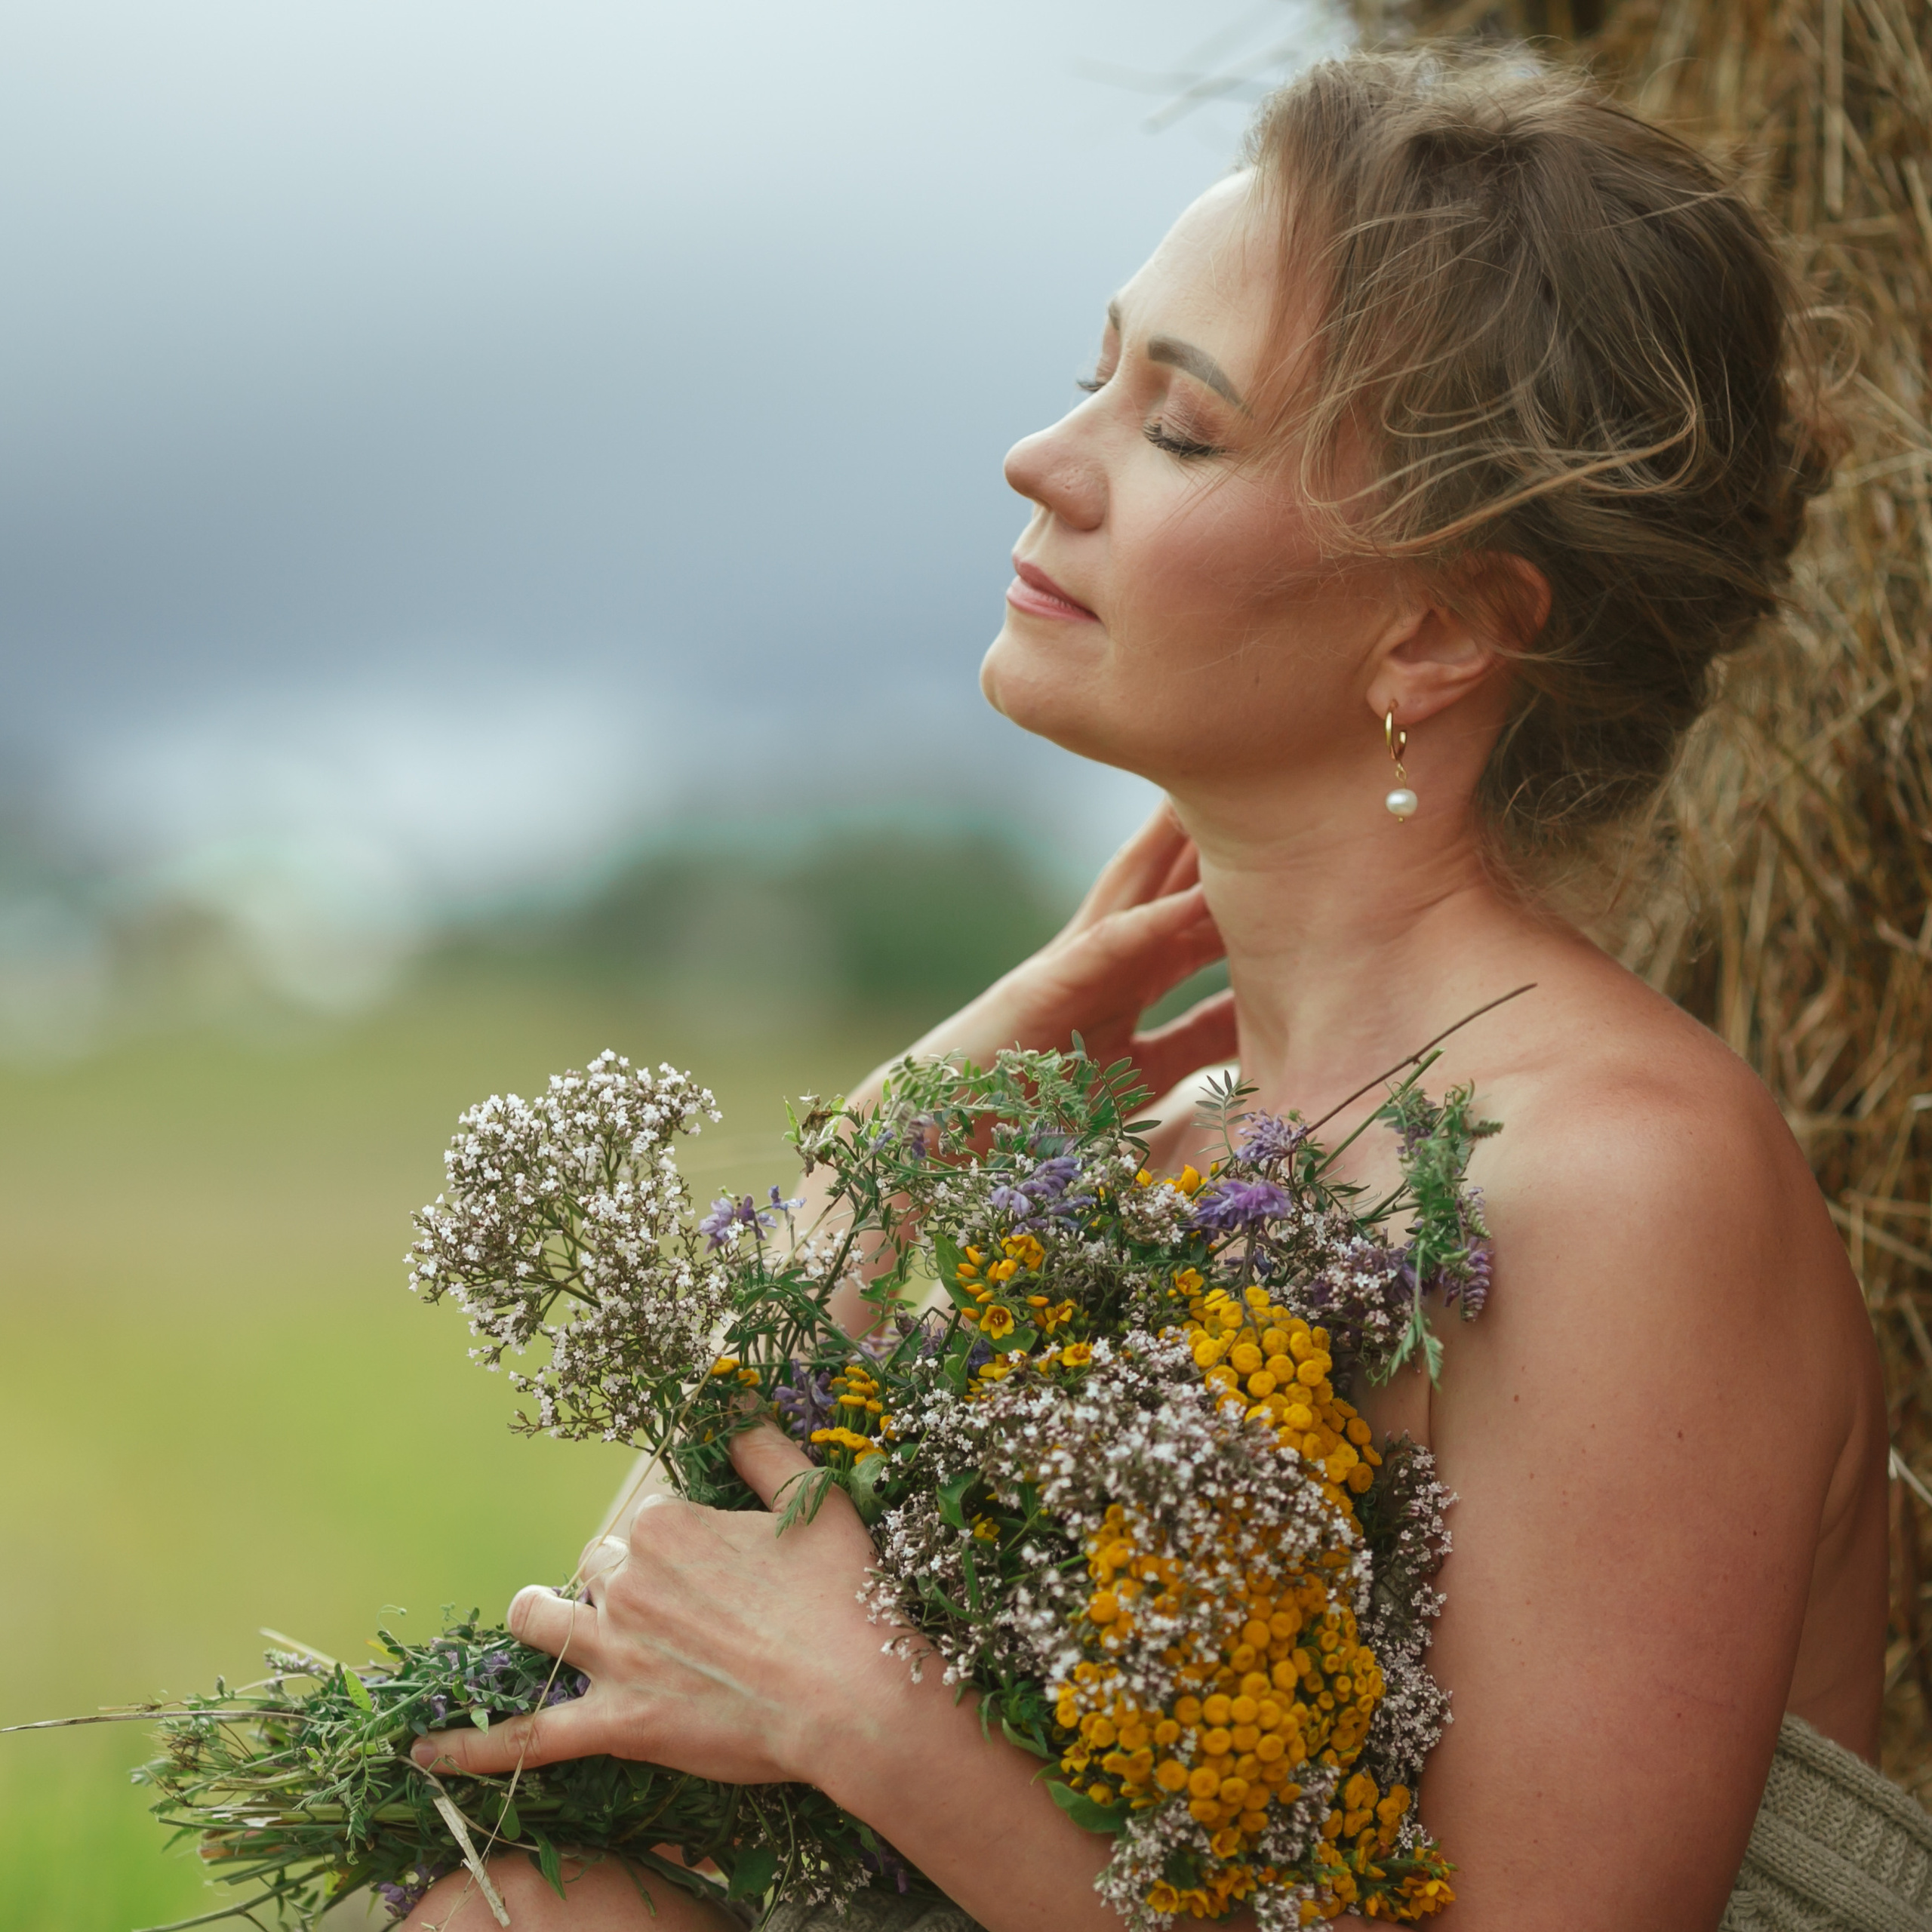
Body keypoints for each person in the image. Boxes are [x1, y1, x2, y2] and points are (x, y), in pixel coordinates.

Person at [398, 45, 1911, 1932]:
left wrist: (870, 1711)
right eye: (1090, 372)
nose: (1043, 459)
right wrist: (891, 1153)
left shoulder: (1610, 1182)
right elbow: (624, 1659)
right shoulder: (1182, 1148)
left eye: (1178, 429)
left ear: (1435, 629)